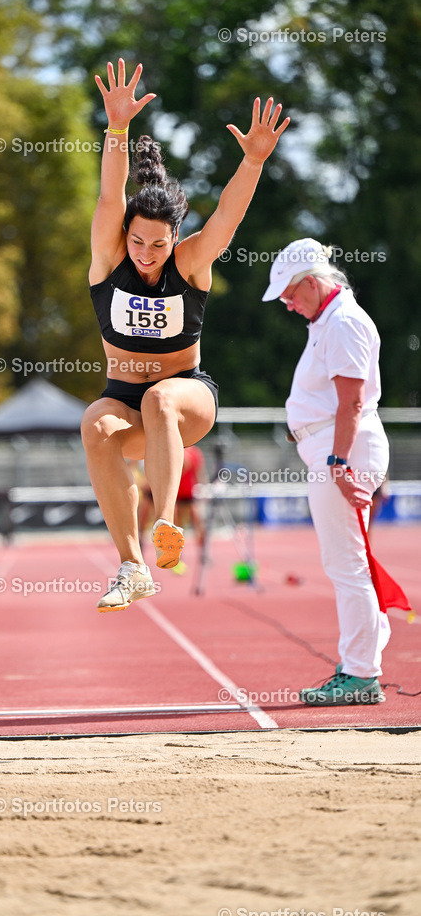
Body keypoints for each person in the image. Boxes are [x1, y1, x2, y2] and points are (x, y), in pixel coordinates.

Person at [83, 58, 289, 612]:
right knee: (95, 425)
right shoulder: (109, 257)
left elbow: (226, 217)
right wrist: (117, 129)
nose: (147, 256)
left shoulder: (191, 261)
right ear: (125, 235)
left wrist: (251, 163)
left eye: (158, 245)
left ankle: (167, 525)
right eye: (138, 243)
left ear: (175, 238)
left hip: (187, 396)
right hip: (125, 401)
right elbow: (109, 196)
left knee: (161, 397)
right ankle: (131, 567)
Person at [262, 238, 390, 705]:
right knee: (347, 564)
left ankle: (360, 674)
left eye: (291, 295)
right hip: (336, 451)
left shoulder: (343, 323)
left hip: (343, 453)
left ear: (312, 284)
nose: (288, 305)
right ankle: (362, 661)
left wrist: (337, 462)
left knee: (346, 566)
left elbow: (352, 401)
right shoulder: (331, 320)